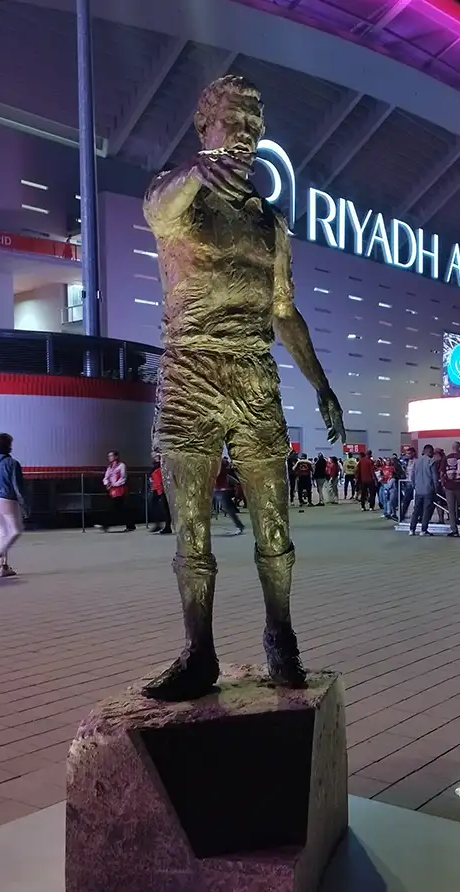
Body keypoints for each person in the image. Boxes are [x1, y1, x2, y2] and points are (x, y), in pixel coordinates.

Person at [142, 75, 345, 699]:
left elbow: (284, 310)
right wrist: (201, 172)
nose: (248, 137)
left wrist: (322, 383)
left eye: (255, 127)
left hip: (254, 376)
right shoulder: (178, 197)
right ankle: (198, 652)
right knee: (193, 535)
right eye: (236, 122)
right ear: (206, 126)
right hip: (191, 372)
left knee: (275, 529)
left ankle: (281, 638)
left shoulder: (270, 222)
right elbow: (156, 208)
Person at [0, 432, 26, 578]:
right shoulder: (12, 463)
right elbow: (17, 486)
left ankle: (4, 567)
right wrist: (24, 504)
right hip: (6, 498)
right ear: (8, 446)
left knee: (3, 532)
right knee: (16, 530)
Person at [408, 444, 438, 536]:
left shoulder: (416, 462)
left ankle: (412, 529)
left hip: (418, 489)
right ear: (429, 451)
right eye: (432, 451)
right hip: (428, 489)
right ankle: (423, 530)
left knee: (416, 510)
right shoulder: (431, 461)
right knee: (426, 510)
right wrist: (436, 488)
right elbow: (434, 477)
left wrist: (415, 486)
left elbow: (412, 476)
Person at [102, 451, 135, 532]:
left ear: (116, 457)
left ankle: (105, 524)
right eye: (109, 456)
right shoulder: (109, 467)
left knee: (113, 507)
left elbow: (123, 478)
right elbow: (106, 477)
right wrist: (107, 484)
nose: (109, 457)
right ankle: (130, 525)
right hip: (113, 490)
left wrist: (114, 484)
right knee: (122, 508)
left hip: (120, 489)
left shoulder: (121, 466)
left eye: (111, 456)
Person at [214, 458, 245, 534]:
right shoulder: (221, 462)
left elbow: (217, 474)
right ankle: (239, 525)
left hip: (220, 489)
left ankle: (239, 526)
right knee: (229, 509)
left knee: (229, 509)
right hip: (221, 488)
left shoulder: (219, 462)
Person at [149, 457, 172, 534]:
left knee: (165, 507)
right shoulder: (155, 465)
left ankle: (168, 526)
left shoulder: (163, 464)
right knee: (154, 505)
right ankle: (158, 524)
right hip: (157, 487)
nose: (153, 455)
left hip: (163, 487)